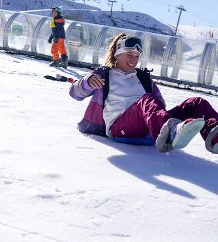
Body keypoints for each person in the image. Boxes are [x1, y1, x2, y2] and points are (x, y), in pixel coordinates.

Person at [69, 33, 218, 154]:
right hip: (120, 128)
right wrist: (87, 82)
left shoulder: (143, 77)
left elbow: (159, 104)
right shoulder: (103, 74)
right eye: (129, 55)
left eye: (136, 56)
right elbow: (75, 93)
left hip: (151, 128)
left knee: (197, 103)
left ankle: (215, 138)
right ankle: (170, 133)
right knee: (147, 99)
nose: (133, 60)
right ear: (117, 55)